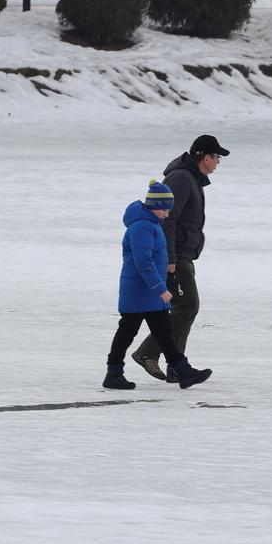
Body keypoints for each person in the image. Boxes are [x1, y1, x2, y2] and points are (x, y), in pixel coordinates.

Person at [131, 133, 230, 382]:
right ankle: (147, 352)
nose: (218, 162)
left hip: (183, 253)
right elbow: (167, 219)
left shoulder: (191, 178)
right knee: (187, 306)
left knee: (184, 307)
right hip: (175, 255)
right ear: (205, 157)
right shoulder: (183, 179)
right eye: (217, 157)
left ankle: (176, 366)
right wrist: (170, 258)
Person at [105, 181, 211, 391]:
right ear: (154, 206)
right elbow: (143, 263)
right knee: (127, 332)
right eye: (165, 209)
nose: (168, 213)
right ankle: (113, 373)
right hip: (138, 291)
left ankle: (183, 371)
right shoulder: (142, 227)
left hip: (148, 291)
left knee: (164, 332)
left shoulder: (152, 224)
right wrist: (160, 289)